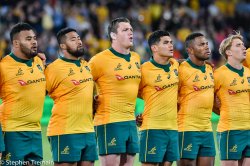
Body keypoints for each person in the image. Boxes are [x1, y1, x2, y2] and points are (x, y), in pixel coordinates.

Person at [88, 17, 141, 166]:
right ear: (113, 35)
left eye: (131, 30)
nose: (130, 33)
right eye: (125, 30)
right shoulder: (99, 60)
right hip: (109, 122)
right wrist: (90, 102)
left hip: (131, 122)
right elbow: (81, 83)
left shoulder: (136, 58)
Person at [45, 27, 98, 166]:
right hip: (65, 131)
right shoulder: (53, 69)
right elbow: (36, 93)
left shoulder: (86, 66)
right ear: (62, 45)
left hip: (88, 131)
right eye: (73, 39)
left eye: (79, 38)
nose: (79, 41)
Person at [0, 23, 46, 165]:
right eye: (28, 39)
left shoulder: (39, 61)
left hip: (36, 133)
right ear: (16, 43)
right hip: (12, 133)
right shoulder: (3, 67)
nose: (34, 41)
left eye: (34, 38)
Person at [138, 30, 179, 166]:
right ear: (154, 48)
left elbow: (185, 62)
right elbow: (132, 92)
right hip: (152, 128)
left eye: (171, 42)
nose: (171, 45)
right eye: (166, 43)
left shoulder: (175, 65)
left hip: (173, 128)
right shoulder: (144, 70)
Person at [177, 32, 216, 166]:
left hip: (207, 130)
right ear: (190, 50)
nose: (206, 47)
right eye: (201, 44)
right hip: (186, 129)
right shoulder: (180, 70)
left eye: (206, 43)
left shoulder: (210, 69)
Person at [214, 33, 250, 166]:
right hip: (230, 131)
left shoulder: (248, 72)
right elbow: (207, 97)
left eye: (243, 45)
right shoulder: (218, 74)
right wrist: (216, 107)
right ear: (228, 51)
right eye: (238, 45)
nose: (243, 48)